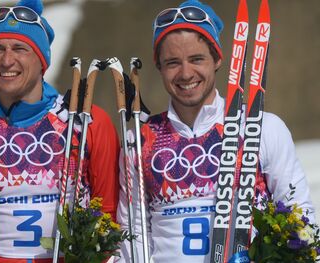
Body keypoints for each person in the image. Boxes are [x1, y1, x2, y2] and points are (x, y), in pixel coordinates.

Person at [116, 1, 316, 262]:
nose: (186, 73)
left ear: (218, 59)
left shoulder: (263, 128)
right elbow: (134, 232)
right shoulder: (139, 141)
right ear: (159, 67)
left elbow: (299, 214)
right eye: (173, 62)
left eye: (197, 59)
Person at [0, 0, 120, 262]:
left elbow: (109, 212)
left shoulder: (88, 121)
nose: (7, 60)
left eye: (20, 48)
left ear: (42, 59)